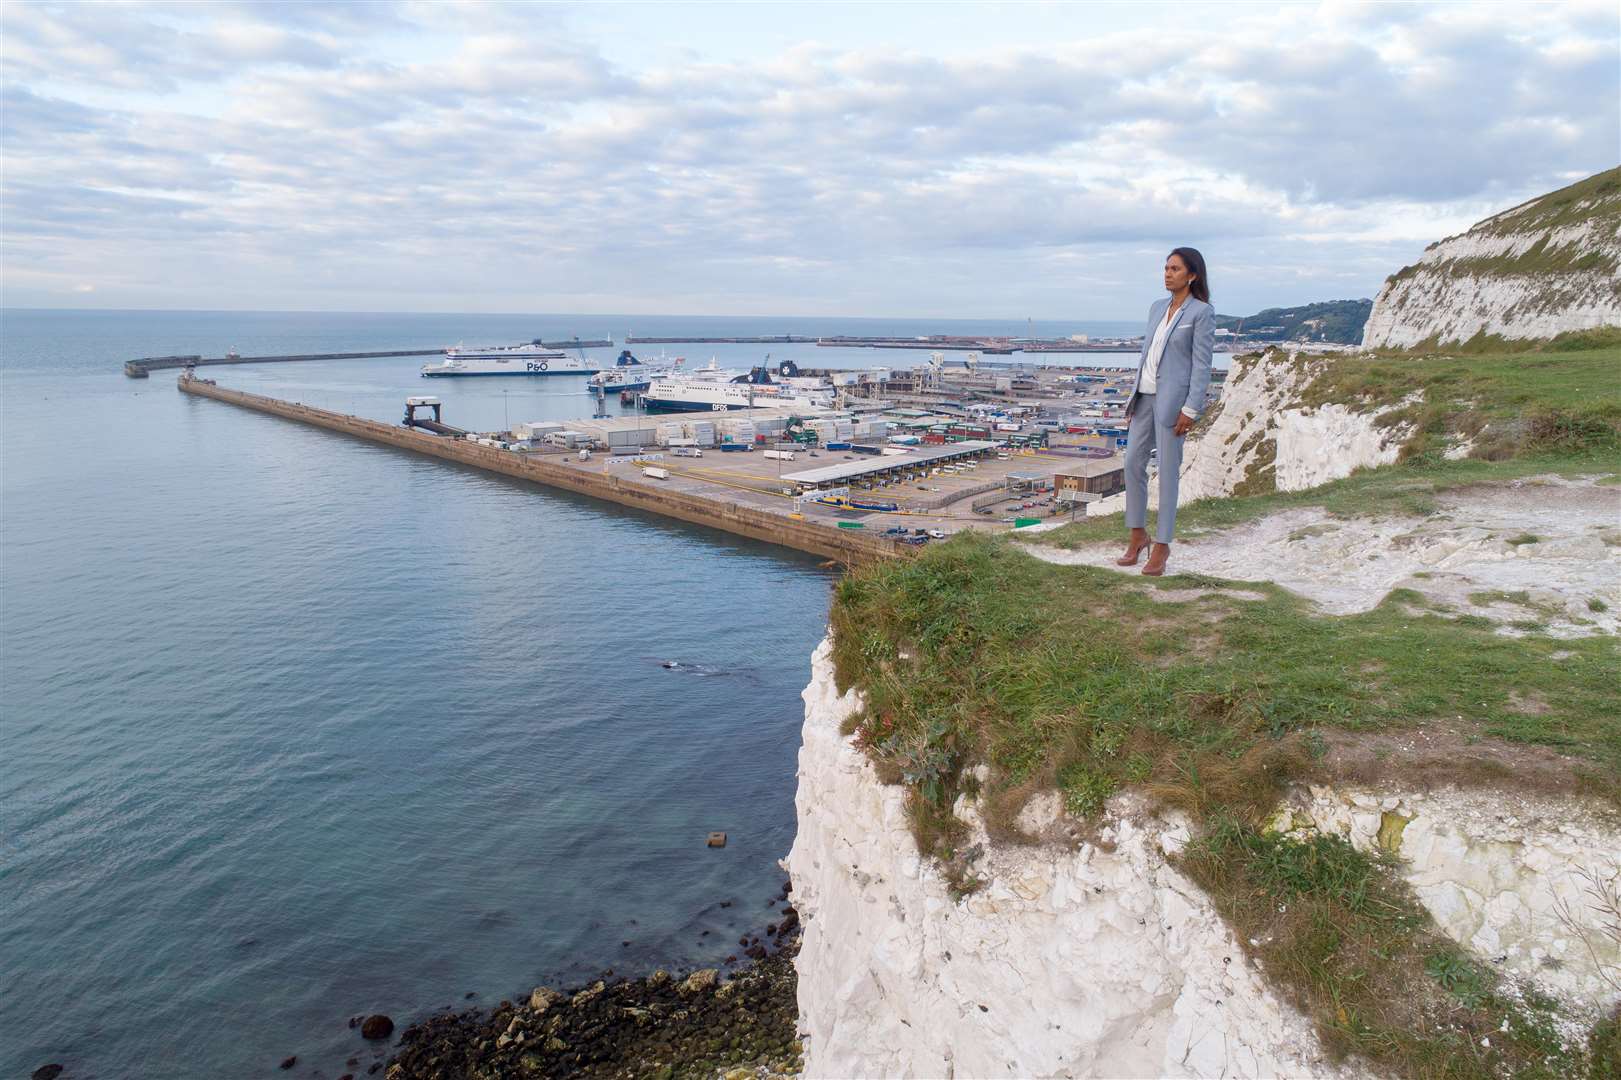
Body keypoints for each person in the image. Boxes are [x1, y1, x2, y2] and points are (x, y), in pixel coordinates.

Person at [1116, 247, 1214, 576]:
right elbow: (1147, 356)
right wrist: (1132, 398)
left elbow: (1202, 367)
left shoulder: (1201, 313)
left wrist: (1191, 408)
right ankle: (1137, 535)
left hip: (1173, 404)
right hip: (1143, 398)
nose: (1167, 273)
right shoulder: (1157, 308)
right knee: (1132, 464)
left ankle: (1162, 545)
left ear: (1192, 275)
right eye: (1166, 268)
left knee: (1168, 474)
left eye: (1174, 268)